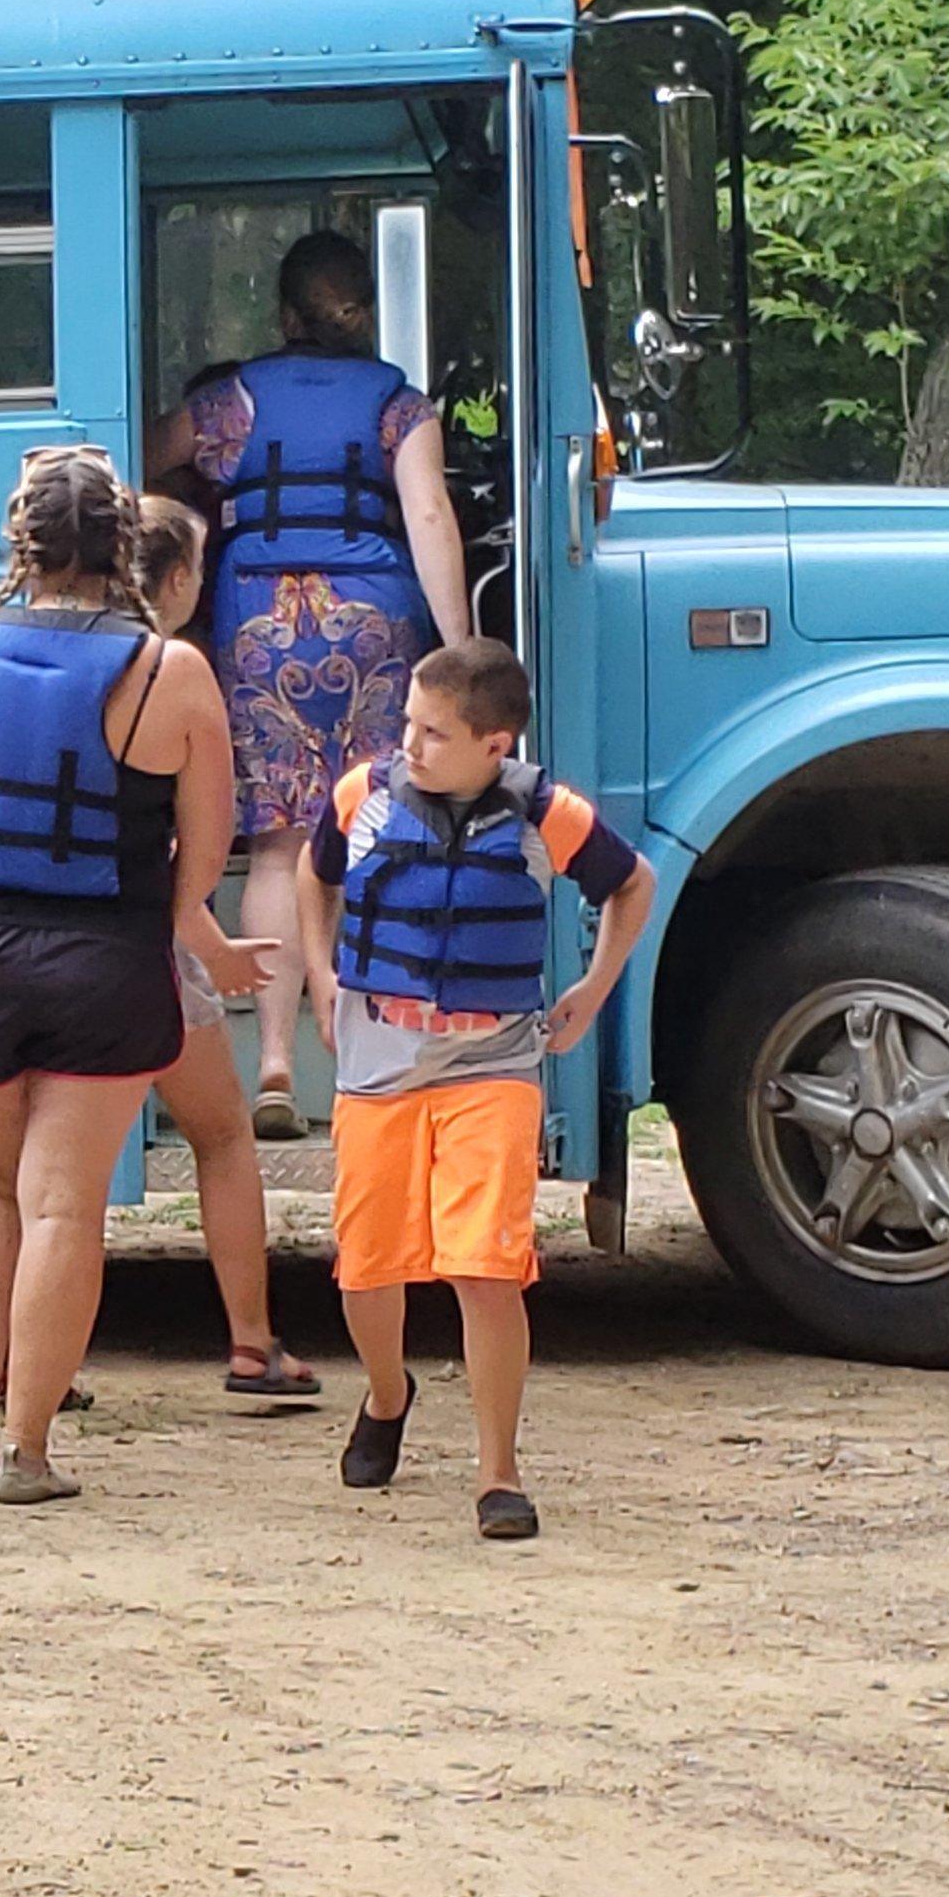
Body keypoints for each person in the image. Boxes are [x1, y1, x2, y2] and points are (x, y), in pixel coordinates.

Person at [0, 442, 256, 1506]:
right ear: (125, 547)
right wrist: (167, 915)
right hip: (108, 955)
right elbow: (204, 852)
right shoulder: (170, 674)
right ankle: (30, 1451)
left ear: (23, 543)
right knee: (63, 1208)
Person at [295, 635, 655, 1542]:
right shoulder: (364, 797)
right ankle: (387, 1395)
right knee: (368, 1268)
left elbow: (632, 885)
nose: (408, 746)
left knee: (486, 1268)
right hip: (378, 1063)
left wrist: (591, 990)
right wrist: (321, 975)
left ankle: (499, 1473)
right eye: (408, 725)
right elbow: (314, 875)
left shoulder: (547, 814)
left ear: (496, 746)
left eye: (433, 733)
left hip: (493, 1065)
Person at [150, 230, 472, 1137]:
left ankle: (279, 1065)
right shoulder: (399, 407)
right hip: (375, 629)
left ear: (286, 316)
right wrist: (459, 654)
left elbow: (133, 456)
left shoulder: (231, 401)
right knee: (375, 831)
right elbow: (430, 514)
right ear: (361, 307)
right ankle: (376, 1052)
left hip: (258, 630)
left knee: (284, 842)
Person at [131, 496, 316, 1401]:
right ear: (174, 582)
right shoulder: (175, 671)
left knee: (39, 1183)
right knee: (221, 1135)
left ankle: (11, 1376)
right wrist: (215, 947)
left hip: (17, 949)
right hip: (143, 957)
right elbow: (190, 857)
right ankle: (252, 1342)